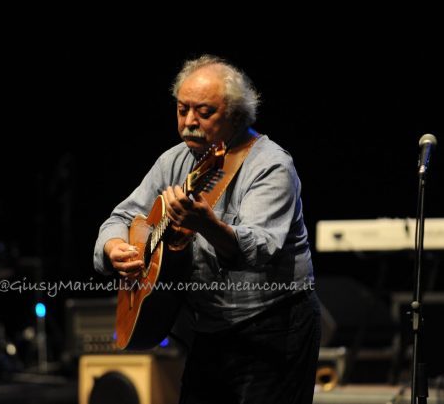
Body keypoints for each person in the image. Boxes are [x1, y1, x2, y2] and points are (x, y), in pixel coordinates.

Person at [94, 54, 320, 404]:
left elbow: (260, 248)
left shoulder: (271, 165)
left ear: (236, 115)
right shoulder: (174, 161)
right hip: (208, 329)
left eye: (204, 111)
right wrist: (114, 248)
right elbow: (121, 219)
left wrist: (207, 225)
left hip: (273, 327)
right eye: (182, 109)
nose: (189, 122)